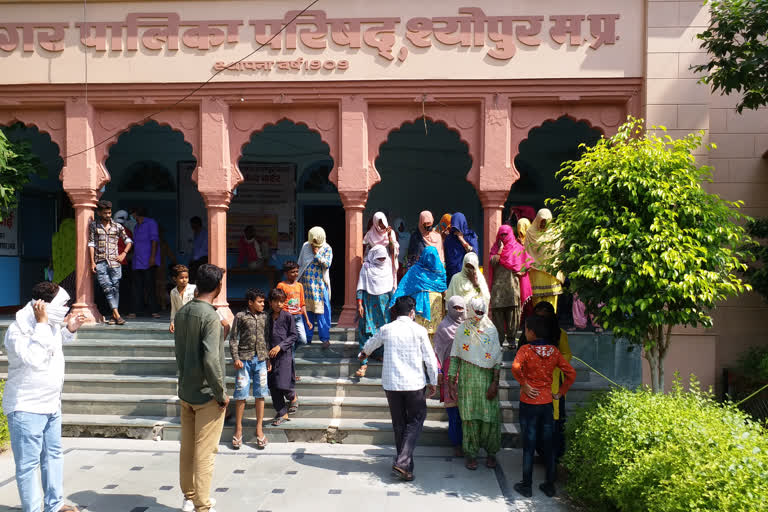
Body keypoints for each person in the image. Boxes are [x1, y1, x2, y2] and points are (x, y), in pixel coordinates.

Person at [3, 282, 85, 512]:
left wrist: (69, 329)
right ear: (43, 306)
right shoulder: (18, 330)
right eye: (63, 304)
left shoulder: (48, 325)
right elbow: (34, 358)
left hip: (50, 403)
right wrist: (41, 324)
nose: (67, 308)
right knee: (28, 465)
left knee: (52, 456)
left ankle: (54, 504)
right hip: (26, 406)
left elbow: (53, 343)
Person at [359, 296, 438, 482]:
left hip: (392, 384)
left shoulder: (387, 329)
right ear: (412, 312)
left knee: (399, 424)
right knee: (417, 419)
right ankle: (403, 462)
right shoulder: (419, 330)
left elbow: (371, 343)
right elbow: (430, 359)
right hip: (414, 384)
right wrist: (433, 381)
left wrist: (363, 353)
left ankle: (406, 468)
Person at [174, 264, 228, 512]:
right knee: (205, 453)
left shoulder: (183, 312)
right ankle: (202, 506)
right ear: (218, 287)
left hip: (186, 389)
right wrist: (221, 393)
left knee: (188, 448)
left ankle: (190, 496)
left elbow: (190, 349)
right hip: (207, 394)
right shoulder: (210, 316)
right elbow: (210, 359)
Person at [511, 314, 576, 499]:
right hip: (548, 403)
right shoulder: (555, 351)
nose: (525, 332)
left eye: (526, 329)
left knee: (529, 446)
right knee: (549, 446)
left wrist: (524, 384)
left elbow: (515, 367)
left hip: (529, 403)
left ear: (531, 332)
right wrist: (560, 392)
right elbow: (570, 373)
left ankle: (527, 485)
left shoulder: (525, 350)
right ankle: (549, 485)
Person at [446, 297, 502, 470]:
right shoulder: (462, 329)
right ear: (469, 310)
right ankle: (471, 454)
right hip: (467, 382)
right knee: (469, 420)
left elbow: (497, 359)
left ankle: (491, 454)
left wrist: (495, 382)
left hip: (486, 383)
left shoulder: (491, 330)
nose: (478, 315)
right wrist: (451, 381)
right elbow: (455, 356)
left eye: (481, 312)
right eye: (475, 312)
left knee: (490, 419)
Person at [229, 288, 270, 450]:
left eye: (263, 302)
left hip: (260, 360)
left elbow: (267, 339)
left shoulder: (265, 317)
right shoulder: (240, 317)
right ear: (250, 303)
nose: (262, 304)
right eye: (259, 302)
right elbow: (233, 339)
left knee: (261, 395)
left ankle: (259, 428)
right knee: (241, 395)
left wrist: (267, 358)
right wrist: (236, 358)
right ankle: (238, 429)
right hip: (244, 361)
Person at [88, 200, 132, 325]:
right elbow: (91, 244)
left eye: (109, 213)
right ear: (99, 213)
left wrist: (123, 254)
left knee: (115, 287)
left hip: (115, 262)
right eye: (105, 213)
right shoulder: (93, 226)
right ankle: (117, 315)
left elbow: (128, 241)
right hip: (100, 261)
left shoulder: (117, 226)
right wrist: (92, 262)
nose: (108, 215)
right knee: (107, 288)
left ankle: (114, 314)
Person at [488, 225, 533, 347]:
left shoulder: (517, 248)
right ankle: (499, 341)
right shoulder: (495, 248)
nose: (503, 237)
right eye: (501, 234)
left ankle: (512, 339)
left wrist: (521, 272)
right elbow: (492, 262)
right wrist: (500, 250)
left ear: (510, 234)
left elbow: (528, 263)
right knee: (497, 315)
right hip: (498, 290)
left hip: (513, 288)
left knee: (513, 314)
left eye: (505, 234)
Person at [389, 246, 447, 340]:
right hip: (419, 308)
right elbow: (405, 286)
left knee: (434, 333)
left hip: (436, 307)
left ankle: (432, 354)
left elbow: (444, 289)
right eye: (428, 256)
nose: (430, 259)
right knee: (420, 333)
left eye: (433, 257)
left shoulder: (440, 271)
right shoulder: (415, 270)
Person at [432, 295, 466, 457]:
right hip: (449, 374)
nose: (459, 311)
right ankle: (456, 443)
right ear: (449, 308)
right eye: (455, 308)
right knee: (454, 414)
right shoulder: (443, 327)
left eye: (461, 308)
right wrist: (438, 371)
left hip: (467, 373)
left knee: (466, 412)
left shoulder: (469, 327)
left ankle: (468, 443)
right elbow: (437, 352)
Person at [355, 245, 394, 378]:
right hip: (369, 304)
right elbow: (360, 286)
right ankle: (363, 363)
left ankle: (379, 354)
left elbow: (391, 288)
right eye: (379, 258)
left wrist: (393, 305)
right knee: (365, 330)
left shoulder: (388, 268)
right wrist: (359, 304)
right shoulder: (366, 267)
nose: (382, 260)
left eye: (384, 258)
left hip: (384, 306)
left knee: (383, 330)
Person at [267, 287, 299, 426]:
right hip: (269, 356)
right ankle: (282, 413)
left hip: (284, 355)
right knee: (273, 386)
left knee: (282, 383)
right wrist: (266, 356)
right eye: (276, 301)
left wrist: (280, 346)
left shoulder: (288, 316)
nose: (278, 304)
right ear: (270, 302)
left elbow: (293, 335)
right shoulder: (266, 317)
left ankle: (293, 396)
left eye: (281, 301)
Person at [297, 227, 333, 348]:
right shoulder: (305, 246)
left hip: (320, 286)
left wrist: (317, 254)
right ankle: (307, 338)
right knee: (307, 311)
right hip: (306, 285)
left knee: (322, 312)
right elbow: (301, 263)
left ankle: (325, 338)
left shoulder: (327, 248)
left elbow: (327, 264)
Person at [524, 208, 564, 312]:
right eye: (541, 221)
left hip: (552, 273)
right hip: (536, 273)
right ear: (537, 219)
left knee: (551, 305)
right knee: (537, 305)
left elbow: (560, 252)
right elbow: (526, 253)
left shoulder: (556, 233)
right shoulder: (530, 233)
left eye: (546, 221)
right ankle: (539, 327)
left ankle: (550, 326)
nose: (543, 224)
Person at [277, 261, 311, 367]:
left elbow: (302, 303)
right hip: (286, 316)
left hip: (298, 316)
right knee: (290, 342)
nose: (296, 274)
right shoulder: (281, 285)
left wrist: (307, 320)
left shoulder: (299, 285)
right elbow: (278, 302)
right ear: (286, 273)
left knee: (303, 340)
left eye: (297, 271)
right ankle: (291, 369)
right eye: (293, 272)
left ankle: (286, 349)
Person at [129, 207, 161, 319]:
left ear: (136, 213)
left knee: (150, 286)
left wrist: (152, 257)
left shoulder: (151, 223)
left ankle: (154, 311)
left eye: (132, 214)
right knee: (137, 287)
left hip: (148, 261)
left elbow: (154, 241)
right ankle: (136, 311)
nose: (132, 217)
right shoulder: (136, 226)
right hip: (137, 261)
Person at [363, 211, 400, 285]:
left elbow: (393, 251)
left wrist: (389, 237)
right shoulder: (369, 234)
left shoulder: (391, 233)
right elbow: (365, 252)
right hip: (374, 267)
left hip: (387, 265)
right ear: (375, 222)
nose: (382, 225)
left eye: (383, 222)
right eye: (379, 222)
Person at [443, 212, 479, 281]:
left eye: (458, 227)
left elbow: (474, 254)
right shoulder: (449, 238)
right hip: (452, 276)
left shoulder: (470, 236)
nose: (456, 230)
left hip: (467, 276)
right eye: (454, 227)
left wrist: (462, 240)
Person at [113, 210, 135, 318]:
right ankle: (125, 310)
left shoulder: (110, 230)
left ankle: (113, 311)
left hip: (112, 263)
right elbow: (131, 248)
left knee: (112, 288)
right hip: (124, 263)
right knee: (125, 288)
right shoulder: (127, 231)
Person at [169, 264, 196, 333]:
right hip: (181, 322)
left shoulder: (194, 289)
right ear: (175, 278)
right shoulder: (173, 292)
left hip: (194, 320)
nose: (184, 280)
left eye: (186, 277)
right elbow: (174, 309)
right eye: (181, 278)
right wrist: (172, 322)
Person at [189, 216, 208, 282]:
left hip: (203, 259)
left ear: (197, 224)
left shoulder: (205, 233)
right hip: (196, 260)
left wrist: (195, 259)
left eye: (192, 225)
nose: (191, 227)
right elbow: (194, 248)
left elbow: (203, 248)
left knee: (200, 278)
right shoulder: (196, 233)